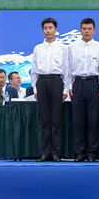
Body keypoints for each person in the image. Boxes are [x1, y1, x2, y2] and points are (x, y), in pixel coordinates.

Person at [66, 17, 99, 162]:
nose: (87, 31)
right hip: (78, 83)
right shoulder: (72, 47)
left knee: (93, 120)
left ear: (94, 30)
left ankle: (92, 153)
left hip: (93, 83)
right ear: (80, 30)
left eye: (89, 29)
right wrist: (69, 87)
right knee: (78, 121)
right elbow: (67, 69)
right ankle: (79, 153)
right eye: (84, 29)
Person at [30, 17, 68, 162]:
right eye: (45, 28)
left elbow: (67, 70)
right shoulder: (38, 48)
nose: (48, 31)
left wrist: (65, 90)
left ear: (56, 30)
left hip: (57, 81)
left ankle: (56, 153)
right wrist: (35, 89)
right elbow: (34, 70)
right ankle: (45, 153)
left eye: (50, 28)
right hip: (42, 82)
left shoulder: (63, 48)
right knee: (45, 120)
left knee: (56, 119)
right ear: (42, 31)